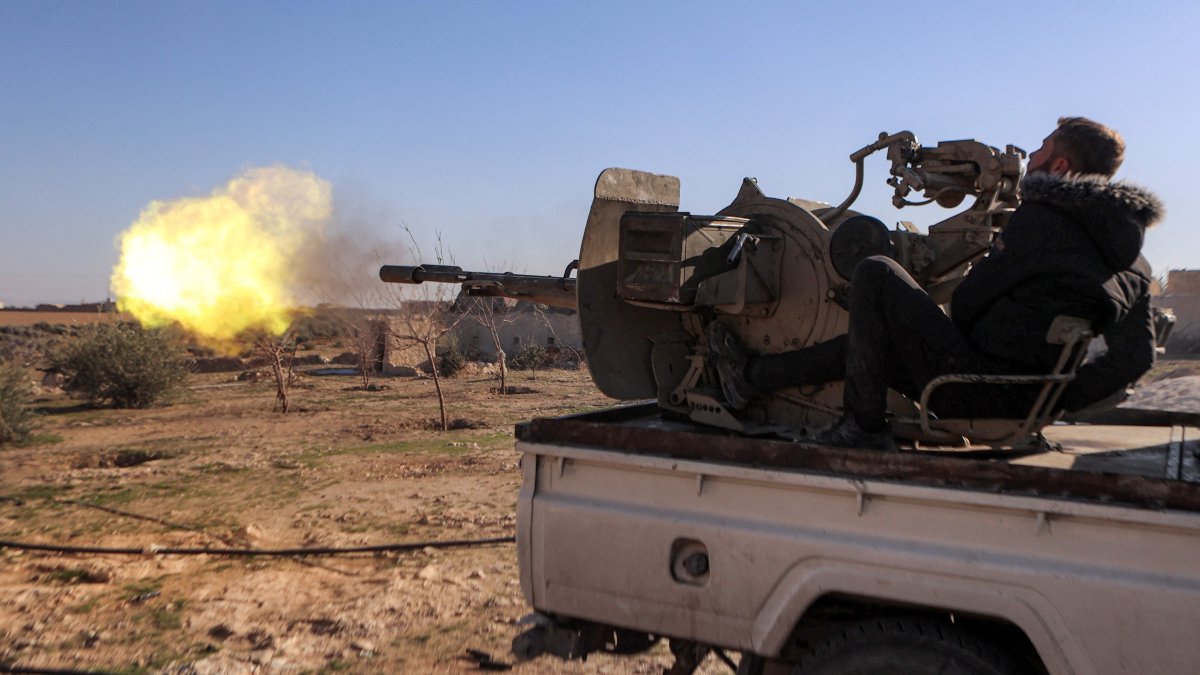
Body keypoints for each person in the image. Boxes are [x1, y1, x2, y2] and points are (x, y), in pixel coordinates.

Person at [710, 117, 1164, 450]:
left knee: (876, 272)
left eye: (1042, 149)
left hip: (968, 384)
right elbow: (1134, 359)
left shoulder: (1043, 222)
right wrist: (1049, 397)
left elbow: (966, 304)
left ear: (1061, 167)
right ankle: (751, 379)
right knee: (877, 340)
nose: (1033, 157)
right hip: (1022, 399)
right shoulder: (1134, 263)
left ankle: (862, 428)